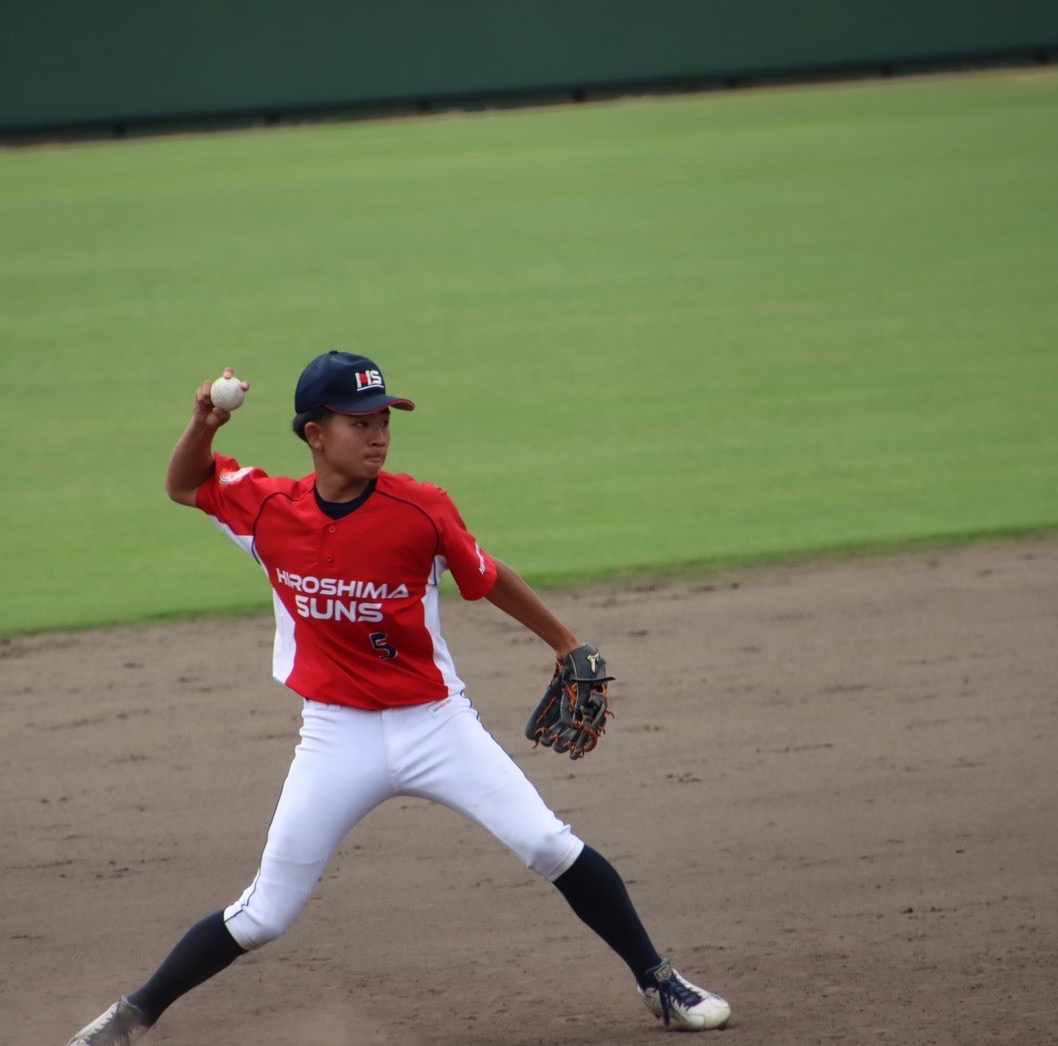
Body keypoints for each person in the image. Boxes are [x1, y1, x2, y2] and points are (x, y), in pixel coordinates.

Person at [65, 352, 730, 1044]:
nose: (378, 434)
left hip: (435, 725)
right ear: (315, 434)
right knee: (264, 915)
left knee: (545, 842)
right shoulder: (267, 510)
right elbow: (184, 485)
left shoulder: (421, 508)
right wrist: (204, 425)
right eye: (360, 423)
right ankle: (130, 1017)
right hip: (334, 737)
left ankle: (660, 983)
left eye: (384, 419)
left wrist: (562, 641)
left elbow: (483, 573)